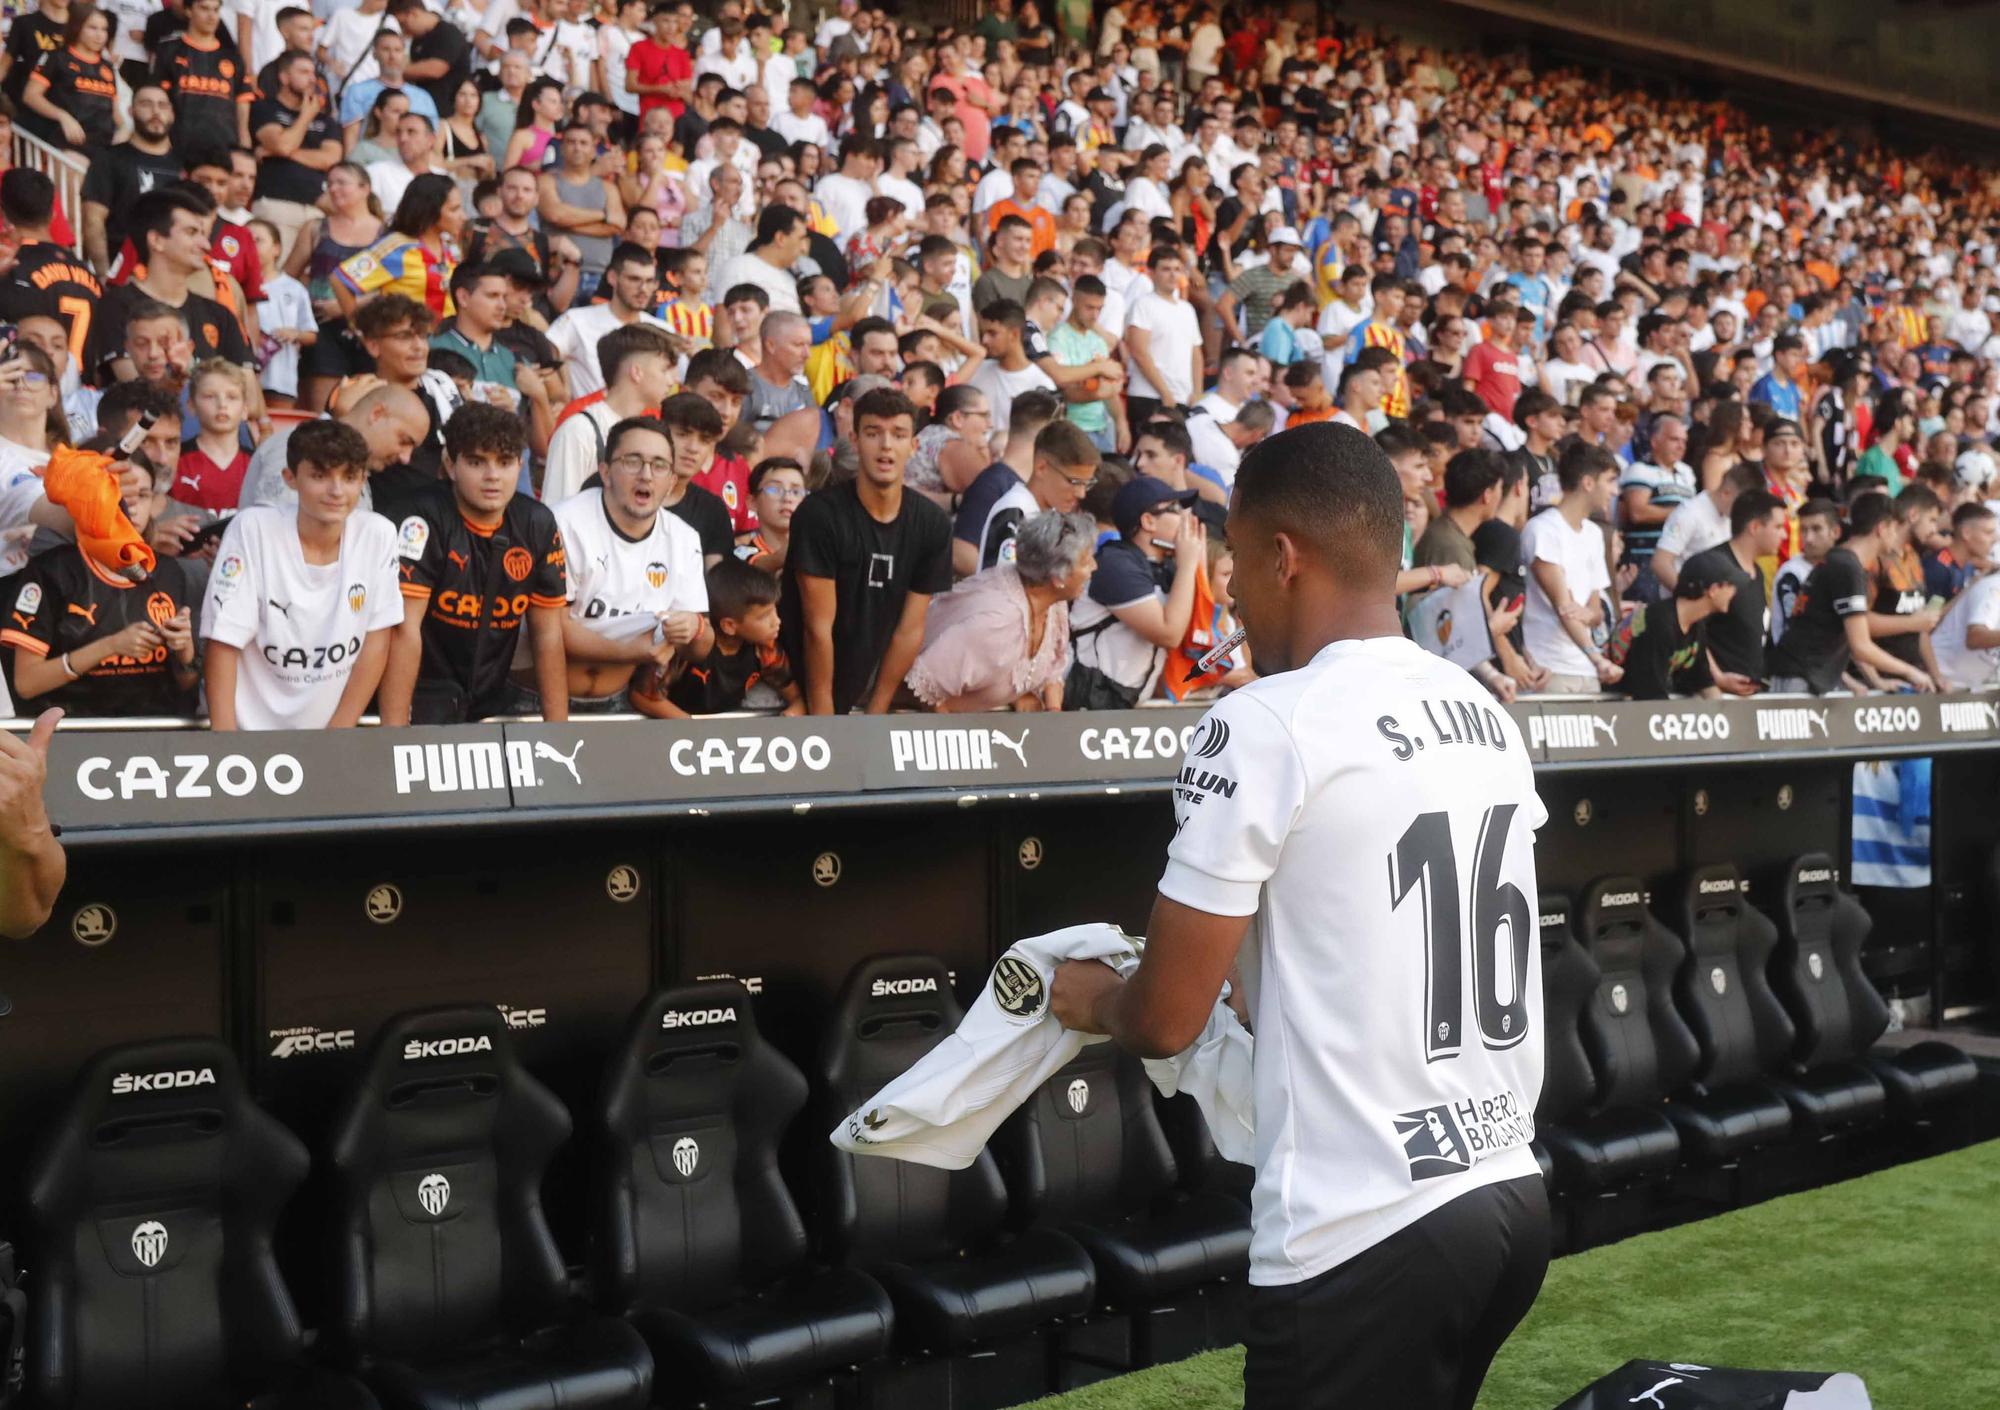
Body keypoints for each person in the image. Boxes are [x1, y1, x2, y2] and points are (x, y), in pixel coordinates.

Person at [1050, 420, 1548, 1410]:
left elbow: (1164, 1018)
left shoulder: (1265, 719)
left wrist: (1084, 998)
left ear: (1282, 556)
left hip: (1360, 1224)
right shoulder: (1480, 710)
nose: (1227, 588)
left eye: (1234, 560)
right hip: (1501, 1182)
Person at [200, 419, 405, 730]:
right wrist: (226, 742)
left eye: (349, 477)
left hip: (329, 736)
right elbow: (223, 641)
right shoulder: (252, 528)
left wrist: (338, 733)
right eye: (320, 476)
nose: (336, 491)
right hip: (246, 734)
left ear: (363, 480)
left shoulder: (379, 534)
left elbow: (376, 642)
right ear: (290, 478)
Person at [379, 401, 569, 724]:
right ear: (451, 465)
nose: (492, 476)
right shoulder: (419, 518)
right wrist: (395, 737)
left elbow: (548, 634)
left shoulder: (537, 523)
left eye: (505, 462)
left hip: (487, 698)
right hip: (420, 695)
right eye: (477, 462)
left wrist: (560, 732)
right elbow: (404, 631)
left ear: (520, 465)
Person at [780, 386, 952, 715]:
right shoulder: (819, 515)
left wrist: (877, 711)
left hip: (871, 671)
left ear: (913, 446)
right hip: (797, 673)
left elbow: (910, 629)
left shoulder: (932, 524)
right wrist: (824, 717)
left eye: (899, 434)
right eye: (873, 433)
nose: (886, 445)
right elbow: (817, 628)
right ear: (855, 441)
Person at [527, 413, 709, 716]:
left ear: (671, 482)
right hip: (534, 700)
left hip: (618, 701)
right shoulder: (563, 523)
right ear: (606, 472)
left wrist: (695, 627)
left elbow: (701, 647)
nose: (646, 475)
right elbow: (550, 629)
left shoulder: (684, 538)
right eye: (632, 461)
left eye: (659, 465)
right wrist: (630, 652)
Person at [2, 452, 201, 717]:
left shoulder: (168, 572)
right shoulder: (53, 572)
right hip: (74, 735)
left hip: (154, 735)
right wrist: (110, 646)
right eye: (121, 494)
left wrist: (184, 649)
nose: (131, 506)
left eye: (142, 495)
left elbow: (187, 683)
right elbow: (26, 684)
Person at [908, 506, 1094, 712]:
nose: (1094, 567)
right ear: (1057, 577)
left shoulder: (1053, 602)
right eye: (1086, 561)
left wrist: (1051, 712)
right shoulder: (999, 621)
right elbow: (924, 686)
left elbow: (1051, 669)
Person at [1768, 492, 1937, 695]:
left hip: (1808, 675)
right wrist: (1910, 672)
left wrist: (1875, 680)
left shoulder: (1842, 561)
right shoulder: (1847, 567)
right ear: (1882, 529)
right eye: (1895, 528)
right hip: (1799, 677)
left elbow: (1850, 633)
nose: (1897, 536)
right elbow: (1861, 645)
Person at [86, 189, 255, 384]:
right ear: (156, 240)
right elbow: (134, 389)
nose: (206, 245)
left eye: (203, 233)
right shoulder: (116, 306)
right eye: (192, 233)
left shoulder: (220, 315)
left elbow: (250, 401)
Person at [1065, 473, 1204, 708]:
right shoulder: (1115, 565)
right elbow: (1169, 633)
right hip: (1087, 706)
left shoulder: (1166, 568)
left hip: (1125, 708)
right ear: (1148, 521)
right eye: (1174, 508)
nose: (1185, 517)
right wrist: (1189, 565)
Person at [1521, 441, 1622, 693]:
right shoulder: (1542, 530)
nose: (1615, 490)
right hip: (1550, 667)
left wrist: (1590, 616)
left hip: (1586, 668)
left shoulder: (1595, 534)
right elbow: (1563, 607)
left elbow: (1596, 610)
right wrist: (1598, 659)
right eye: (1609, 481)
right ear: (1588, 483)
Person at [541, 322, 678, 503]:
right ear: (636, 372)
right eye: (664, 370)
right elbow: (555, 515)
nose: (673, 380)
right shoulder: (578, 431)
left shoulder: (651, 432)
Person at [1680, 489, 1788, 696]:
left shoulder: (1758, 573)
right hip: (1708, 699)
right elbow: (1687, 628)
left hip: (1747, 696)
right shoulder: (1709, 565)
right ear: (1755, 527)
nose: (1784, 535)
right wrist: (1717, 677)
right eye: (1778, 527)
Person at [661, 555, 801, 715]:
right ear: (729, 625)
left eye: (774, 611)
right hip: (675, 727)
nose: (776, 621)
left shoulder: (765, 649)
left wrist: (791, 715)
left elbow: (795, 696)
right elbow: (642, 696)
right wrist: (690, 726)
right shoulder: (691, 645)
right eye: (764, 616)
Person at [250, 49, 344, 266]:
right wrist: (305, 117)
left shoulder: (327, 122)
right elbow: (282, 145)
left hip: (316, 210)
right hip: (277, 203)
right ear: (283, 77)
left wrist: (282, 151)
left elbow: (330, 159)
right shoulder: (265, 108)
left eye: (313, 73)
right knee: (271, 276)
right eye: (303, 72)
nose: (312, 79)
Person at [545, 241, 675, 397]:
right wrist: (562, 393)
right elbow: (542, 358)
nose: (643, 289)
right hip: (589, 416)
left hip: (646, 419)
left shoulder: (664, 331)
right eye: (634, 279)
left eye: (650, 281)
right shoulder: (577, 320)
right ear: (612, 278)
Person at [331, 173, 465, 324]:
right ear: (430, 210)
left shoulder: (451, 247)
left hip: (447, 341)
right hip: (407, 341)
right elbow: (340, 280)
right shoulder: (397, 247)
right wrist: (360, 330)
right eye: (454, 210)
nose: (463, 216)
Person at [1607, 553, 1736, 700]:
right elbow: (1650, 696)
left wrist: (1725, 717)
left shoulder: (1695, 625)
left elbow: (1703, 681)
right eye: (1730, 585)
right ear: (1713, 590)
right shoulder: (1658, 623)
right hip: (1614, 706)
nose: (1734, 592)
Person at [978, 418, 1097, 570]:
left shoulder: (1053, 513)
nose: (1081, 494)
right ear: (1042, 468)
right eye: (1074, 482)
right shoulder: (1015, 510)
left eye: (1086, 484)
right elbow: (1001, 585)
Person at [538, 122, 627, 296]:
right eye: (571, 142)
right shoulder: (546, 181)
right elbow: (555, 214)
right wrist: (603, 215)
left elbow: (617, 225)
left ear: (593, 151)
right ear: (562, 149)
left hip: (600, 275)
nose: (577, 147)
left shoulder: (608, 188)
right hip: (558, 273)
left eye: (583, 143)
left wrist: (565, 222)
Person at [1651, 462, 1761, 593]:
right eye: (1742, 505)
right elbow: (1660, 563)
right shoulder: (1689, 513)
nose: (1745, 512)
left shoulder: (1731, 517)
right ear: (1726, 493)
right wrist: (1687, 597)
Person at [1122, 243, 1200, 423]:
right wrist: (1165, 393)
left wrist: (1197, 392)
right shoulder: (1143, 304)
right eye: (1166, 269)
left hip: (1182, 398)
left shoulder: (1187, 309)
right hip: (1148, 395)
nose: (1173, 274)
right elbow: (1139, 351)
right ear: (1151, 272)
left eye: (1177, 269)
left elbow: (1196, 354)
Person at [173, 361, 253, 511]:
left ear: (245, 409)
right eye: (210, 396)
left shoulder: (257, 465)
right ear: (191, 406)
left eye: (232, 397)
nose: (222, 404)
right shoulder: (175, 461)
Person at [735, 455, 804, 573]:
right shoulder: (740, 551)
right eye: (775, 490)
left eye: (796, 491)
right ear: (752, 502)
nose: (787, 498)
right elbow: (754, 568)